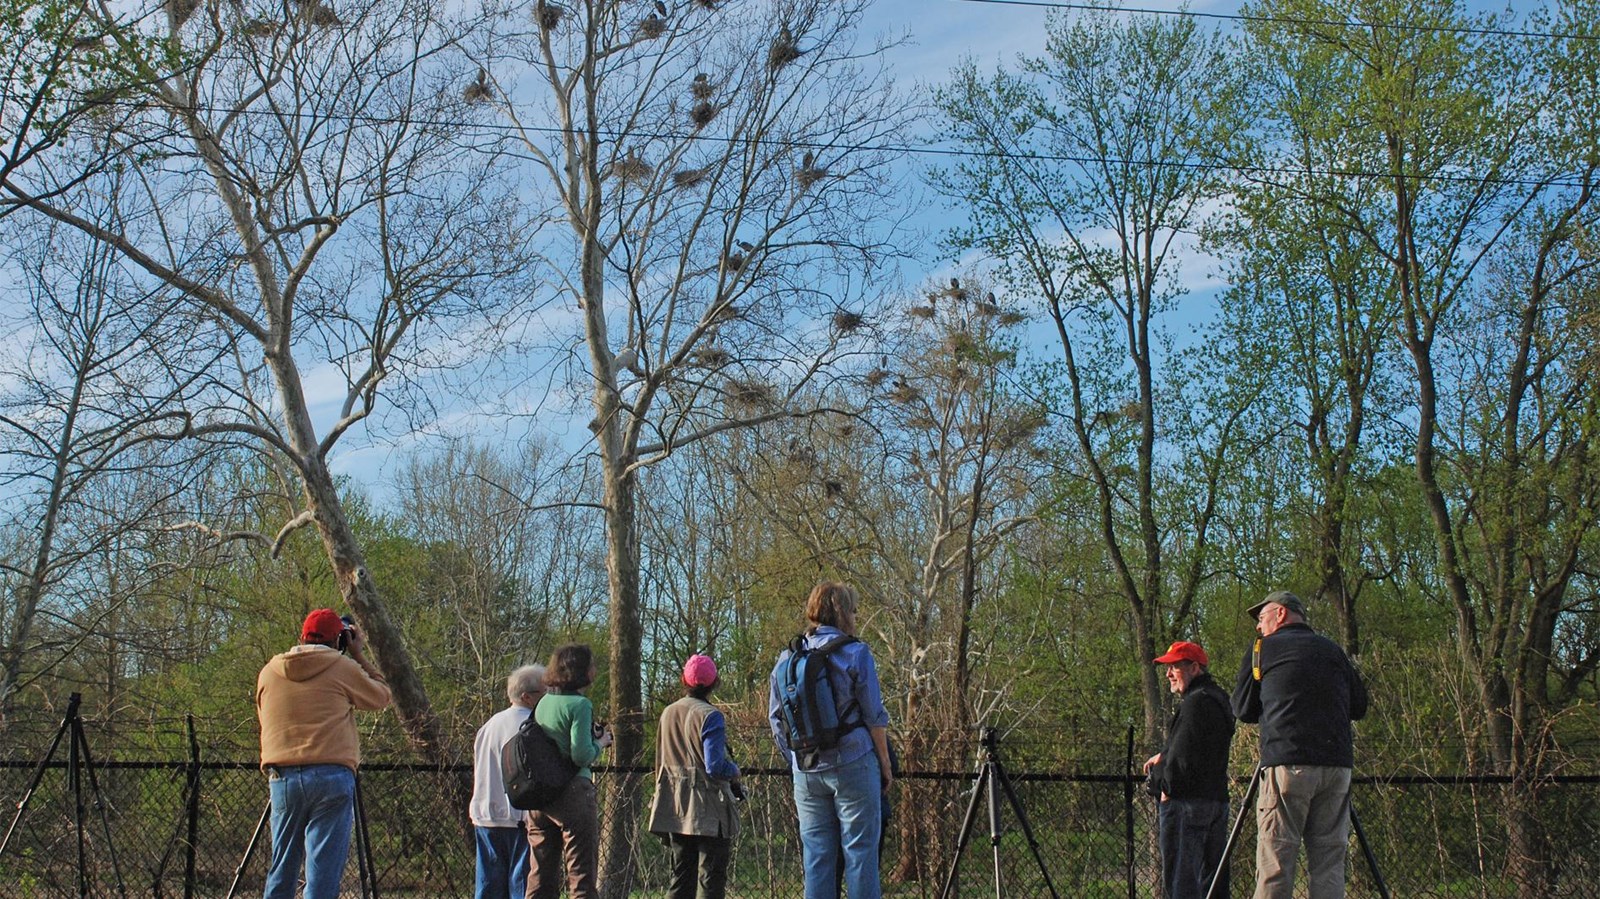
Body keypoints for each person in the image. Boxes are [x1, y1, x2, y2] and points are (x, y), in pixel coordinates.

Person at [1231, 591, 1369, 899]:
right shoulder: (1332, 650)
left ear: (1280, 614)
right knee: (1330, 864)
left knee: (1277, 861)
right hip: (1336, 767)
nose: (1258, 626)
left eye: (1262, 618)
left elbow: (1243, 709)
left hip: (1287, 765)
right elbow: (1359, 706)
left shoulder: (1261, 650)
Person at [768, 581, 894, 899]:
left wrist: (797, 760)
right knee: (860, 854)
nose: (855, 615)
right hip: (854, 762)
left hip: (806, 770)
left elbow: (776, 721)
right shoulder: (855, 653)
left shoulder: (786, 659)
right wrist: (884, 762)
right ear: (843, 613)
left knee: (818, 859)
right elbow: (873, 715)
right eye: (853, 610)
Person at [256, 608, 392, 899]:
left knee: (282, 868)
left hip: (283, 776)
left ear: (301, 637)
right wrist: (359, 655)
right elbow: (381, 696)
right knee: (322, 873)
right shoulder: (341, 667)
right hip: (332, 774)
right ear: (339, 640)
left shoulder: (269, 672)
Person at [1142, 640, 1235, 899]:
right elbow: (1202, 747)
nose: (1168, 674)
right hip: (1216, 800)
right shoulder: (1219, 699)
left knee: (1181, 882)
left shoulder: (1194, 704)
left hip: (1187, 805)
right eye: (1167, 668)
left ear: (1195, 668)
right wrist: (1165, 754)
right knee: (1213, 882)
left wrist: (1164, 788)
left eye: (1174, 667)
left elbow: (1182, 763)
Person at [647, 654, 744, 899]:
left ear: (685, 680)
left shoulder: (668, 712)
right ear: (714, 683)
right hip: (708, 805)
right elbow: (714, 766)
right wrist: (734, 771)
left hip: (675, 803)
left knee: (681, 875)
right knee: (710, 877)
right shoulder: (711, 715)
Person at [526, 644, 612, 899]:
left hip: (540, 796)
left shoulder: (543, 703)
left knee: (540, 876)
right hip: (573, 793)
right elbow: (580, 755)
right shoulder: (580, 705)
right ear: (582, 671)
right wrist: (601, 742)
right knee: (581, 876)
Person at [471, 664, 547, 899]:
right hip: (519, 819)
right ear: (527, 696)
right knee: (522, 888)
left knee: (488, 888)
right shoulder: (532, 727)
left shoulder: (489, 726)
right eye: (544, 693)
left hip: (486, 817)